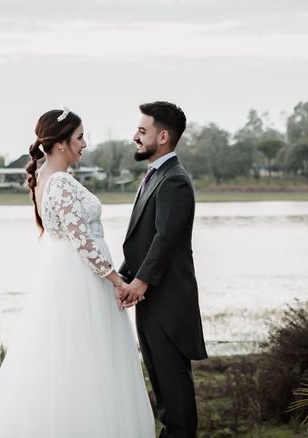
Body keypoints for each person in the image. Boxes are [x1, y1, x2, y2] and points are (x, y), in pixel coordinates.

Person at [0, 108, 155, 438]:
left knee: (72, 357)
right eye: (79, 137)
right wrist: (117, 282)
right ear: (61, 143)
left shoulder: (45, 177)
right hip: (82, 280)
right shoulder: (60, 182)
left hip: (68, 276)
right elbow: (82, 240)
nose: (85, 144)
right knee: (90, 357)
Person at [118, 101, 207, 438]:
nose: (135, 137)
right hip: (151, 301)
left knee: (175, 395)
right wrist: (118, 278)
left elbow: (166, 239)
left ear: (164, 136)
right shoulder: (154, 175)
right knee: (162, 389)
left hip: (168, 303)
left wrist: (138, 283)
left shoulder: (175, 181)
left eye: (142, 131)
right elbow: (143, 241)